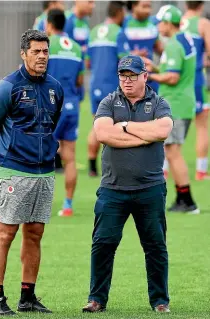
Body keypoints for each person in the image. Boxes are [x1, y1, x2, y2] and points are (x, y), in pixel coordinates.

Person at [0, 29, 64, 315]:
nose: (42, 56)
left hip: (44, 173)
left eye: (45, 51)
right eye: (36, 51)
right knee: (5, 232)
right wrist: (4, 159)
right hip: (14, 170)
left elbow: (52, 123)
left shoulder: (55, 87)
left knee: (35, 232)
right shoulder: (7, 87)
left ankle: (27, 298)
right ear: (23, 53)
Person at [82, 55, 173, 313]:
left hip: (150, 188)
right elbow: (102, 134)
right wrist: (143, 136)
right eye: (123, 76)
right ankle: (96, 299)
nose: (127, 81)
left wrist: (123, 127)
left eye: (133, 75)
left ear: (145, 76)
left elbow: (162, 131)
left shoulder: (159, 103)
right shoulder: (108, 102)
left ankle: (160, 301)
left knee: (155, 246)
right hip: (113, 189)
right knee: (103, 244)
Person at [147, 5, 199, 214]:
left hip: (175, 104)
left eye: (160, 22)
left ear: (168, 23)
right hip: (184, 103)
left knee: (173, 152)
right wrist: (156, 68)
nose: (158, 25)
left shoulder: (173, 45)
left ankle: (186, 200)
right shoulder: (184, 40)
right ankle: (182, 198)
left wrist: (149, 76)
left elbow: (173, 77)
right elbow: (173, 71)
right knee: (173, 151)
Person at [46, 9, 84, 217]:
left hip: (52, 107)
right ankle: (68, 205)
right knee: (70, 157)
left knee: (40, 155)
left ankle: (39, 204)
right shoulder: (77, 48)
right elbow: (80, 80)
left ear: (50, 25)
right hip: (72, 106)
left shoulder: (46, 46)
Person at [86, 1, 129, 176]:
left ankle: (91, 166)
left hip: (95, 84)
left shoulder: (94, 31)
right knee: (117, 127)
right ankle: (116, 166)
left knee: (96, 125)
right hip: (111, 86)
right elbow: (124, 63)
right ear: (119, 13)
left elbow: (88, 61)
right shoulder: (119, 33)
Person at [181, 1, 210, 180]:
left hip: (177, 82)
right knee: (201, 126)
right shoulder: (203, 24)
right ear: (201, 5)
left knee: (172, 125)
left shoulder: (178, 21)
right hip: (197, 80)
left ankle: (164, 169)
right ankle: (201, 171)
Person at [123, 1, 164, 92]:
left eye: (149, 6)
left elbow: (158, 47)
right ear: (134, 6)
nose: (148, 10)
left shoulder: (152, 24)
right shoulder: (124, 23)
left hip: (149, 77)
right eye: (144, 6)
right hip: (129, 78)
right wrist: (133, 55)